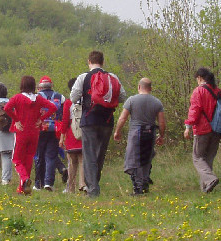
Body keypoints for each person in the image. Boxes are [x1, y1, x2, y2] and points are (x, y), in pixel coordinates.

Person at [69, 50, 126, 198]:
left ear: (89, 61)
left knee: (89, 156)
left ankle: (93, 189)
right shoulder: (112, 77)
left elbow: (73, 97)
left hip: (89, 120)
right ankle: (94, 185)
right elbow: (122, 96)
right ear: (103, 62)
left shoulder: (83, 77)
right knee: (100, 155)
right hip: (107, 121)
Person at [3, 75, 58, 194]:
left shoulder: (17, 98)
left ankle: (24, 179)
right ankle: (22, 188)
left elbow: (7, 108)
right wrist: (41, 119)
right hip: (34, 132)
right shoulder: (38, 98)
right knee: (28, 159)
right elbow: (53, 107)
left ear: (22, 85)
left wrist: (16, 120)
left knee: (16, 159)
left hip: (21, 131)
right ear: (34, 86)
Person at [114, 78, 166, 195]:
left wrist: (117, 131)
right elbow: (162, 122)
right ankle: (144, 182)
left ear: (139, 87)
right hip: (150, 133)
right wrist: (161, 135)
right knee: (146, 158)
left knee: (133, 159)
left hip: (135, 133)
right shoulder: (157, 102)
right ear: (150, 88)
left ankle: (138, 187)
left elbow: (123, 118)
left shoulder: (131, 100)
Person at [184, 67, 221, 193]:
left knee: (197, 158)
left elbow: (194, 110)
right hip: (217, 130)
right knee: (208, 159)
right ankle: (206, 188)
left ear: (200, 78)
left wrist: (188, 127)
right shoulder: (219, 92)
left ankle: (210, 179)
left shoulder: (199, 91)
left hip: (202, 130)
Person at [32, 76, 65, 191]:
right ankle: (48, 183)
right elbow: (64, 114)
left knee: (39, 156)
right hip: (55, 129)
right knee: (51, 156)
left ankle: (38, 183)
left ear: (40, 87)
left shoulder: (36, 97)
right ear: (51, 85)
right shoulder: (60, 97)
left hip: (40, 129)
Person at [57, 77, 86, 194]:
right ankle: (83, 184)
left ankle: (70, 187)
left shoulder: (68, 103)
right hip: (83, 136)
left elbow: (64, 122)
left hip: (71, 136)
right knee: (82, 161)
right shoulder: (86, 102)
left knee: (71, 163)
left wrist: (61, 138)